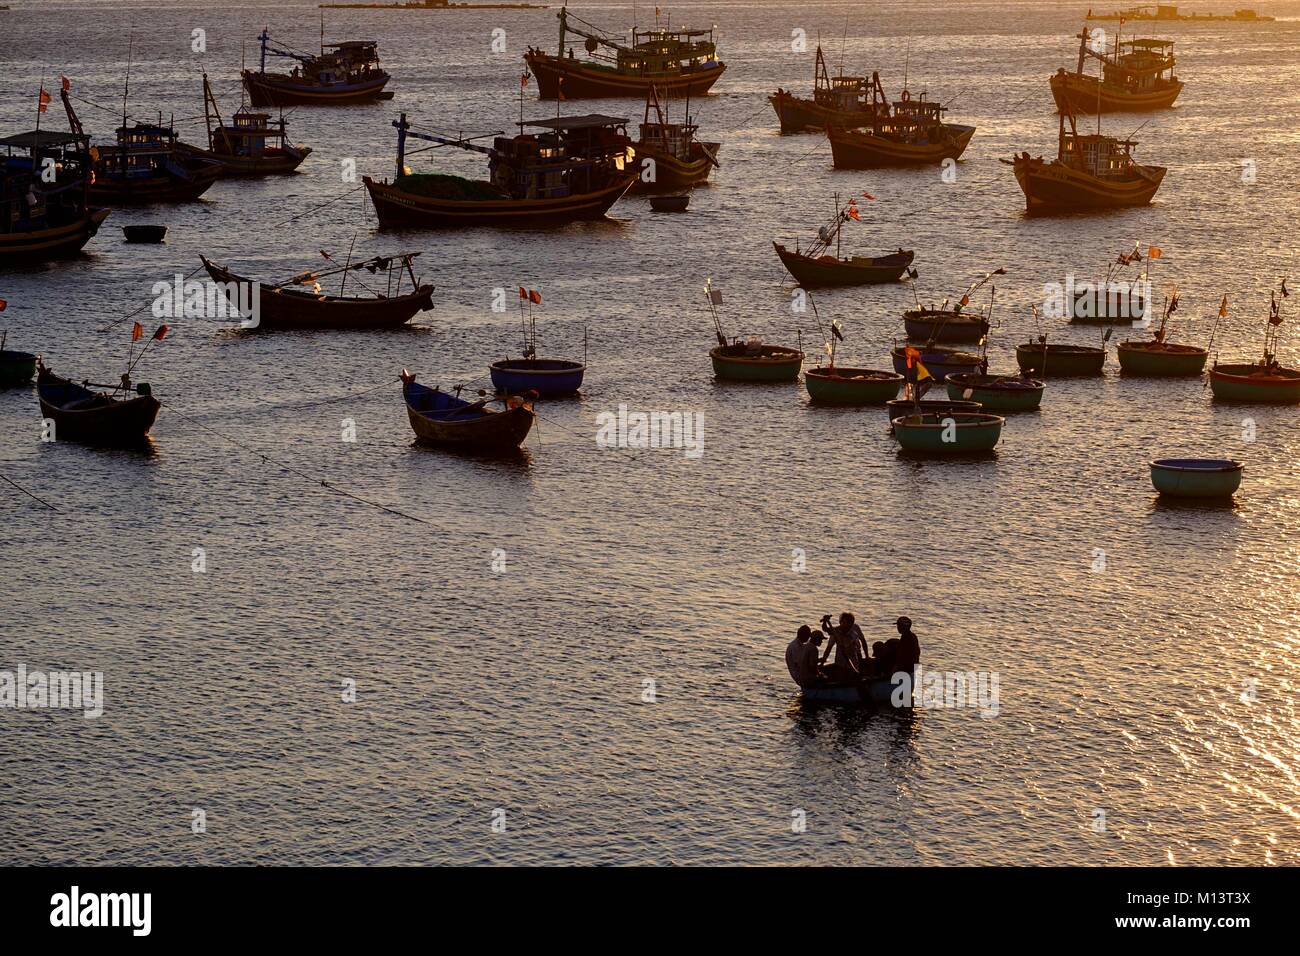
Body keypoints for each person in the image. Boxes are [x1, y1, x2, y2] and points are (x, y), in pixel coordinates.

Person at [819, 612, 867, 682]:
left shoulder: (853, 633)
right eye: (843, 623)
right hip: (840, 662)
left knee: (853, 676)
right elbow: (826, 629)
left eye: (848, 623)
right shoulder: (836, 631)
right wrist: (825, 622)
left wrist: (866, 657)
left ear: (851, 624)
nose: (845, 625)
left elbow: (851, 644)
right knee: (841, 676)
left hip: (852, 661)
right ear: (840, 623)